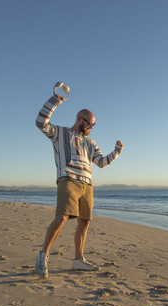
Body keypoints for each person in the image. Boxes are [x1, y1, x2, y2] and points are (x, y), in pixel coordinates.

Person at [34, 91, 123, 278]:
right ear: (79, 119)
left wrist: (116, 152)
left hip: (87, 185)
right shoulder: (60, 133)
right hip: (68, 180)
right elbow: (40, 123)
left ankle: (78, 260)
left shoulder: (91, 143)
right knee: (62, 216)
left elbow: (101, 162)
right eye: (89, 123)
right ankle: (43, 255)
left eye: (93, 124)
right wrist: (56, 100)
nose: (91, 127)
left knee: (84, 222)